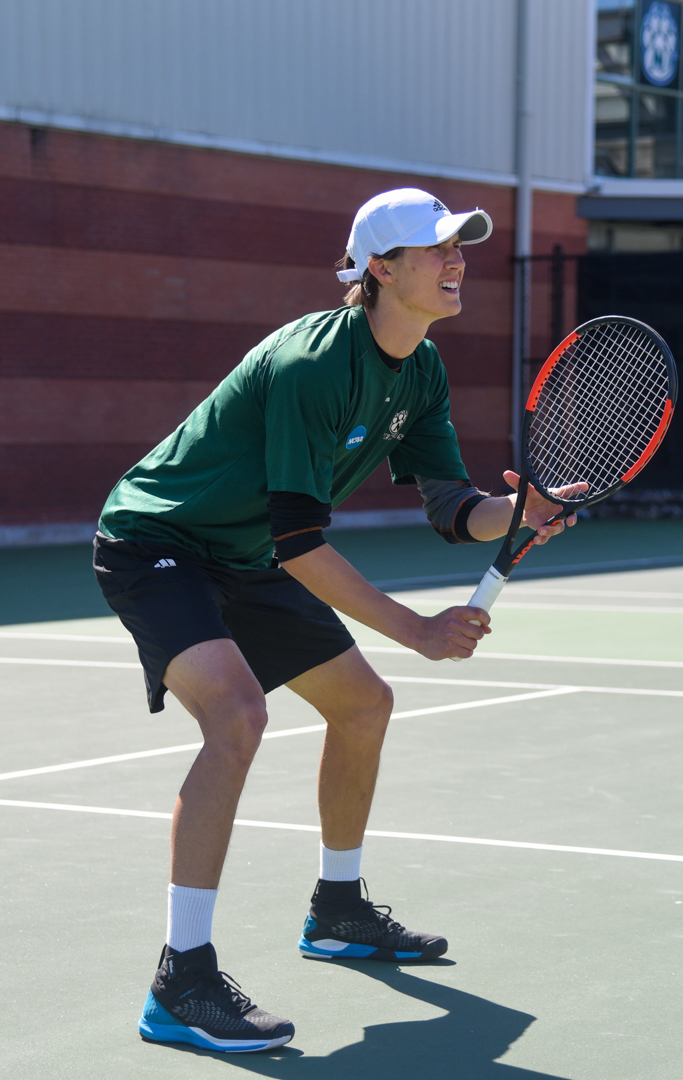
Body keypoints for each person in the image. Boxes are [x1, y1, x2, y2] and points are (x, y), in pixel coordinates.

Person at [94, 188, 579, 1053]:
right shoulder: (313, 365)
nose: (458, 259)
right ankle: (182, 978)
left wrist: (520, 512)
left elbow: (450, 504)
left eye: (460, 245)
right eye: (437, 250)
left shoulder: (420, 368)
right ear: (381, 270)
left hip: (246, 555)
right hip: (156, 541)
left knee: (364, 705)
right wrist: (419, 628)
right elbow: (301, 545)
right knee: (238, 715)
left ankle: (339, 911)